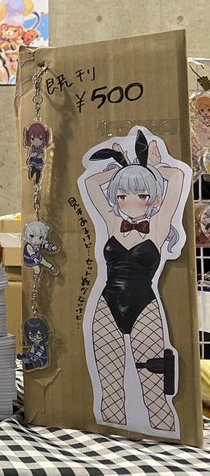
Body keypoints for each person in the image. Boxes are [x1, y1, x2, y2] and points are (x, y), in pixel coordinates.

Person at [81, 129, 185, 432]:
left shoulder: (159, 226)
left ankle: (165, 442)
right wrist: (120, 169)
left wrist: (152, 166)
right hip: (106, 305)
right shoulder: (113, 221)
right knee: (109, 387)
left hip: (145, 307)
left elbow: (178, 176)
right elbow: (90, 183)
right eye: (122, 195)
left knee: (155, 390)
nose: (130, 202)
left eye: (142, 195)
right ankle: (109, 443)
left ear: (155, 198)